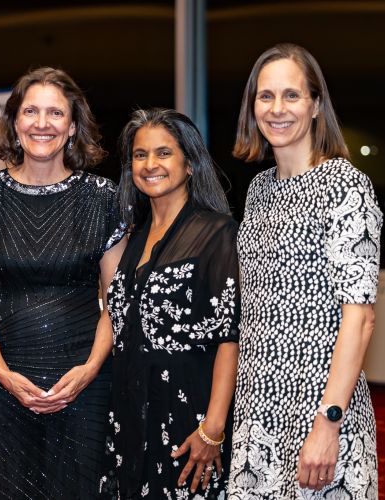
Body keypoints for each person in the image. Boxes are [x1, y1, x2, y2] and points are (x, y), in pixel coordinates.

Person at [0, 66, 127, 499]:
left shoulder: (104, 198)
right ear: (13, 121)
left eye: (55, 113)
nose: (42, 123)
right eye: (31, 111)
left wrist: (88, 372)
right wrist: (3, 374)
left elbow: (118, 299)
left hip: (83, 388)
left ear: (72, 126)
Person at [228, 43, 382, 499]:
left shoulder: (344, 184)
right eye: (266, 96)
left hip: (320, 413)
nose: (277, 109)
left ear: (316, 105)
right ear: (252, 106)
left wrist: (328, 424)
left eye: (292, 96)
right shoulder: (259, 190)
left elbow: (360, 316)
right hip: (258, 415)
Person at [98, 108, 240, 499]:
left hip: (187, 418)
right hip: (129, 410)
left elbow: (230, 337)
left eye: (164, 153)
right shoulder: (136, 235)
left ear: (189, 163)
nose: (150, 165)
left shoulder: (216, 231)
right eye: (140, 155)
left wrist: (212, 427)